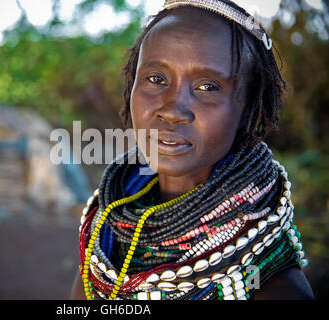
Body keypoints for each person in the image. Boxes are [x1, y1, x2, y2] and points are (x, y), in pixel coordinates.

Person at [71, 0, 314, 300]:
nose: (172, 110)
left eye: (207, 87)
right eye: (156, 79)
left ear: (249, 108)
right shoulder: (106, 238)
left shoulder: (273, 287)